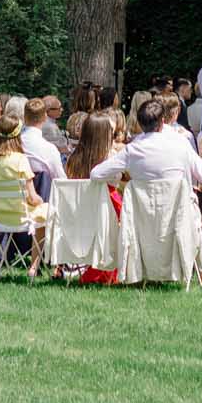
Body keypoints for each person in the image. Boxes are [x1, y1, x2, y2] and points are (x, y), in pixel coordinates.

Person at [91, 96, 202, 284]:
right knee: (191, 205)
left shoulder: (132, 150)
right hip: (178, 217)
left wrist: (121, 177)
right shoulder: (180, 144)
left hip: (144, 222)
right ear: (163, 122)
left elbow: (96, 173)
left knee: (190, 204)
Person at [0, 114, 48, 275]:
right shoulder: (20, 160)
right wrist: (41, 200)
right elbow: (32, 198)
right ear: (18, 134)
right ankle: (34, 266)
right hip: (20, 216)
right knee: (47, 212)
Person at [63, 109, 122, 284]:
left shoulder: (74, 158)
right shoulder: (109, 158)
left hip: (78, 215)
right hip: (106, 214)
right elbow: (117, 180)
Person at [20, 97, 65, 182]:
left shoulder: (13, 145)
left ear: (25, 117)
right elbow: (61, 180)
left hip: (15, 193)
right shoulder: (49, 149)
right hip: (42, 194)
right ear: (45, 117)